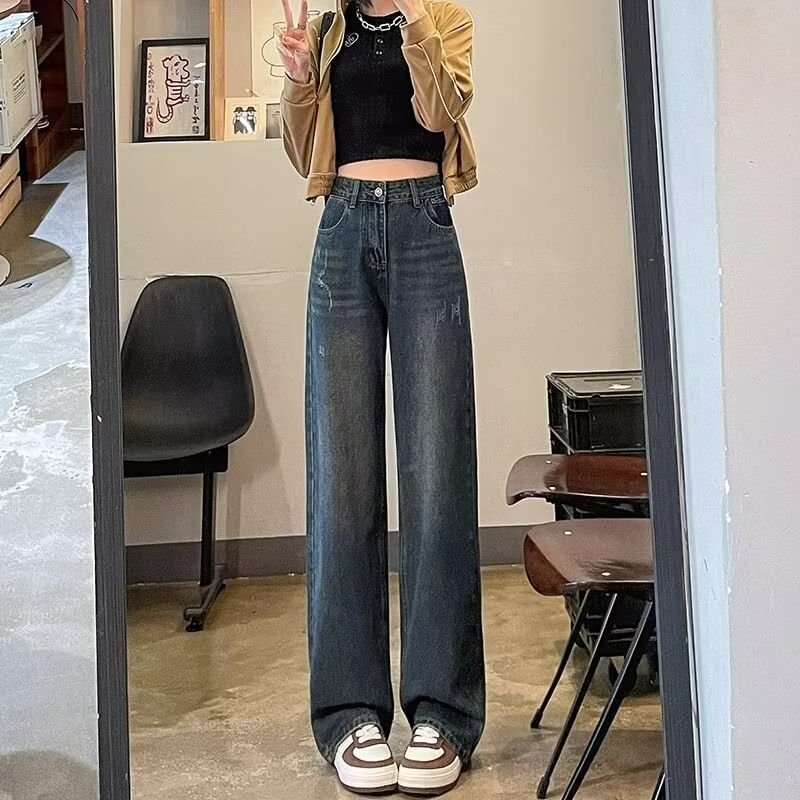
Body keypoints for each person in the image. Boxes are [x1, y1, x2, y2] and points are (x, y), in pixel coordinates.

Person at [279, 0, 484, 794]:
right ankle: (349, 714)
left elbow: (441, 110)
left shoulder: (445, 17)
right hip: (341, 230)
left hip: (426, 226)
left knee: (437, 473)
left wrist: (413, 20)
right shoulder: (327, 28)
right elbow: (302, 153)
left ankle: (442, 712)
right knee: (343, 479)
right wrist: (301, 79)